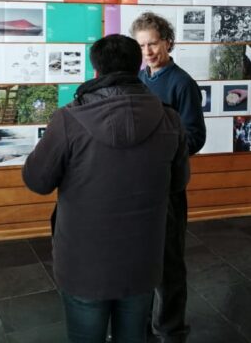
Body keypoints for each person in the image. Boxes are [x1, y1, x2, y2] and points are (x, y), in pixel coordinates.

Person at [22, 34, 188, 343]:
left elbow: (36, 180)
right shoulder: (170, 119)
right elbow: (178, 183)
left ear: (95, 71)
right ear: (137, 66)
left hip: (84, 262)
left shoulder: (68, 120)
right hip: (143, 259)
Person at [130, 12, 206, 343]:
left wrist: (158, 149)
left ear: (168, 43)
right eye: (141, 45)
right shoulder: (139, 78)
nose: (147, 52)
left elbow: (195, 136)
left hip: (168, 185)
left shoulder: (182, 83)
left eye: (152, 44)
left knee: (169, 263)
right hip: (140, 186)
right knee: (142, 260)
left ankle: (171, 330)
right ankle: (143, 323)